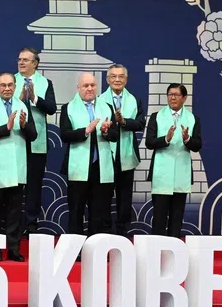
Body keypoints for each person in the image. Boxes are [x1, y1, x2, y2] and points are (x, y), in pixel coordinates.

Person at [0, 72, 37, 262]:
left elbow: (33, 135)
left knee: (14, 210)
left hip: (18, 164)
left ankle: (13, 248)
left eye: (10, 85)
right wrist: (7, 127)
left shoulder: (23, 105)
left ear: (14, 86)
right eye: (3, 85)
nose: (7, 88)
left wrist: (24, 124)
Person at [59, 72, 120, 238]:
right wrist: (85, 131)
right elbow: (64, 135)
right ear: (78, 88)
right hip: (79, 168)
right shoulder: (68, 108)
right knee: (76, 211)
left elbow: (115, 135)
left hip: (101, 166)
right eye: (85, 86)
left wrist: (106, 132)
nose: (90, 88)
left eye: (92, 85)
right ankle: (76, 250)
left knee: (100, 212)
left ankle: (96, 249)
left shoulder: (107, 106)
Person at [145, 83, 203, 238]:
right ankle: (156, 252)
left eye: (176, 94)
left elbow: (197, 146)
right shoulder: (156, 116)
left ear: (184, 98)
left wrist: (187, 139)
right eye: (170, 94)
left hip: (181, 173)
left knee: (177, 216)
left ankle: (174, 251)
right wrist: (165, 139)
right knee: (159, 216)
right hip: (161, 173)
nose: (172, 97)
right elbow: (149, 143)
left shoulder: (193, 119)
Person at [15, 47, 57, 235]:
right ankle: (13, 224)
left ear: (35, 63)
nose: (21, 63)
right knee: (14, 184)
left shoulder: (45, 83)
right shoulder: (10, 81)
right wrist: (20, 99)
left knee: (33, 185)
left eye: (26, 60)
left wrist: (34, 98)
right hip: (14, 140)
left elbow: (51, 108)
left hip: (37, 141)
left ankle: (31, 225)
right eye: (19, 59)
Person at [105, 63, 145, 237]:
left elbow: (140, 123)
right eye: (113, 76)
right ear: (107, 79)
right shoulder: (100, 100)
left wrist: (123, 122)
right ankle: (105, 232)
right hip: (106, 155)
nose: (117, 79)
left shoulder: (134, 100)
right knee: (104, 197)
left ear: (126, 80)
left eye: (121, 76)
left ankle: (122, 233)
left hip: (127, 156)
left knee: (125, 198)